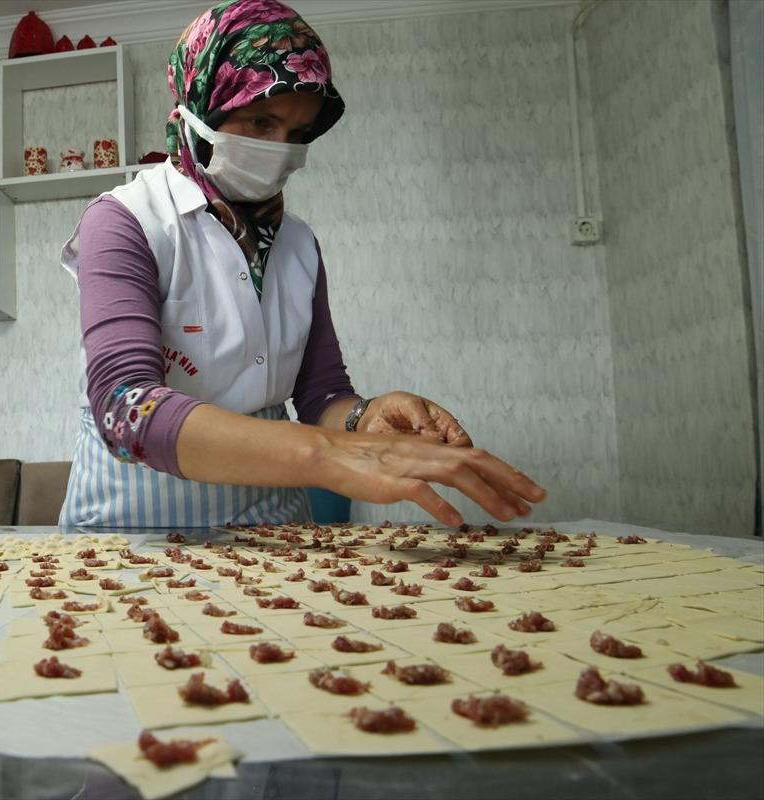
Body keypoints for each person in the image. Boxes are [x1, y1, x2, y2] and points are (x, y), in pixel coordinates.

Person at [59, 0, 545, 528]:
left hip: (272, 528)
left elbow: (321, 394)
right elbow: (125, 406)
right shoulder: (126, 220)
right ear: (203, 107)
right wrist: (326, 455)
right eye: (260, 121)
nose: (280, 150)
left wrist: (365, 418)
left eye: (297, 135)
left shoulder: (297, 243)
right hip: (135, 529)